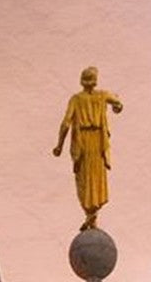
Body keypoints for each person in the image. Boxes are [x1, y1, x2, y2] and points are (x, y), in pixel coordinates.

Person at [52, 66, 123, 230]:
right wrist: (116, 106)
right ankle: (91, 218)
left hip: (87, 143)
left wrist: (59, 146)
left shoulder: (77, 99)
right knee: (92, 180)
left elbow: (65, 124)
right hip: (94, 142)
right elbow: (118, 104)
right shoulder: (102, 95)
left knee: (85, 182)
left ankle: (91, 217)